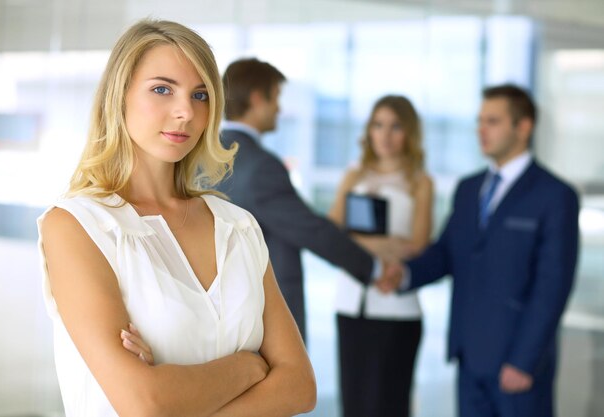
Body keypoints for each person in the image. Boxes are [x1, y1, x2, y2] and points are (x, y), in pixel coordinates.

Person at [37, 19, 315, 417]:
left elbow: (300, 388)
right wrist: (249, 366)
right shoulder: (77, 226)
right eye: (162, 89)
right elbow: (144, 403)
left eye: (200, 95)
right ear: (119, 97)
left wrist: (177, 390)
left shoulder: (238, 226)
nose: (185, 111)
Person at [387, 84, 580, 417]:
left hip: (517, 363)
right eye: (479, 121)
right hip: (470, 354)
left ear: (524, 127)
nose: (481, 130)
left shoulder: (555, 195)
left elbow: (552, 288)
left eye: (493, 121)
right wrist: (403, 274)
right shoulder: (469, 188)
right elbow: (447, 252)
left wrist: (523, 361)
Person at [217, 58, 399, 341]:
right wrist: (373, 267)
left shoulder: (202, 159)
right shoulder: (261, 166)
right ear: (256, 98)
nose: (280, 108)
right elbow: (310, 229)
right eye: (276, 97)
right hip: (265, 316)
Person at [328, 95, 433, 417]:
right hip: (351, 304)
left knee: (389, 402)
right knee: (354, 401)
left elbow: (418, 243)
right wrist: (379, 245)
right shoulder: (354, 175)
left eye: (395, 126)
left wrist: (355, 241)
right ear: (369, 131)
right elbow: (331, 233)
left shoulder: (419, 181)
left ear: (409, 132)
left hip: (397, 306)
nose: (385, 135)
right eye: (378, 125)